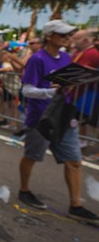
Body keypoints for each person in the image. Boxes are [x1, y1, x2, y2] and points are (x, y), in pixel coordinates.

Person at [17, 20, 98, 222]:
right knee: (32, 155)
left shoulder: (66, 57)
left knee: (74, 161)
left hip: (64, 114)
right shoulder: (37, 59)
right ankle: (24, 190)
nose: (67, 39)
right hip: (41, 117)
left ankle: (75, 205)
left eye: (69, 35)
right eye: (63, 35)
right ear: (49, 36)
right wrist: (50, 91)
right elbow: (27, 90)